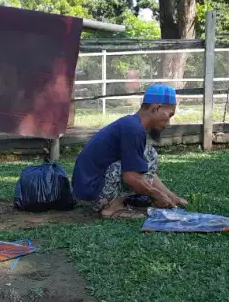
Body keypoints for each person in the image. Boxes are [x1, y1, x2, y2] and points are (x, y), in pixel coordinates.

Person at [72, 84, 188, 219]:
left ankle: (113, 202)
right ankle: (111, 208)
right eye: (169, 115)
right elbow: (132, 176)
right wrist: (155, 194)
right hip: (91, 192)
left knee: (147, 154)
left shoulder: (132, 125)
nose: (168, 122)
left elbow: (141, 170)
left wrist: (172, 196)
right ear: (156, 108)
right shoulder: (133, 129)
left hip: (89, 189)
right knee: (145, 157)